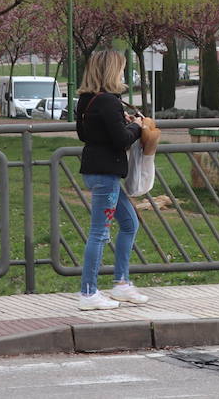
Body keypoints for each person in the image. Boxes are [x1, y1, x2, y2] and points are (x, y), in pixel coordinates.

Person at [73, 49, 150, 310]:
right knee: (99, 233)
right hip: (106, 174)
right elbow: (121, 139)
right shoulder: (109, 102)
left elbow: (86, 134)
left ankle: (121, 284)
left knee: (129, 224)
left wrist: (122, 121)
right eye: (121, 68)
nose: (124, 73)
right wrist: (137, 127)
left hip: (95, 170)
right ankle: (88, 292)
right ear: (111, 71)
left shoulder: (86, 99)